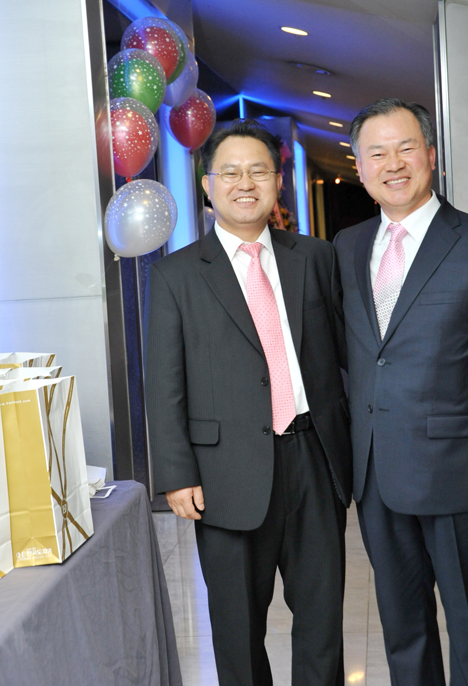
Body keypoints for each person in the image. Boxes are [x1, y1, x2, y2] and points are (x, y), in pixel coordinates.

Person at [144, 119, 352, 686]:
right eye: (230, 172)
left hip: (314, 459)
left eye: (258, 171)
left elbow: (346, 356)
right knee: (237, 631)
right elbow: (163, 383)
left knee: (322, 624)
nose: (245, 183)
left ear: (277, 182)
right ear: (207, 186)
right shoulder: (175, 275)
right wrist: (176, 474)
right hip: (223, 474)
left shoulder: (316, 257)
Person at [334, 97, 468, 686]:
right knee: (403, 627)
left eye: (405, 148)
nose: (392, 164)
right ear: (360, 168)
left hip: (459, 468)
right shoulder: (346, 246)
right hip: (374, 471)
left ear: (430, 155)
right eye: (377, 154)